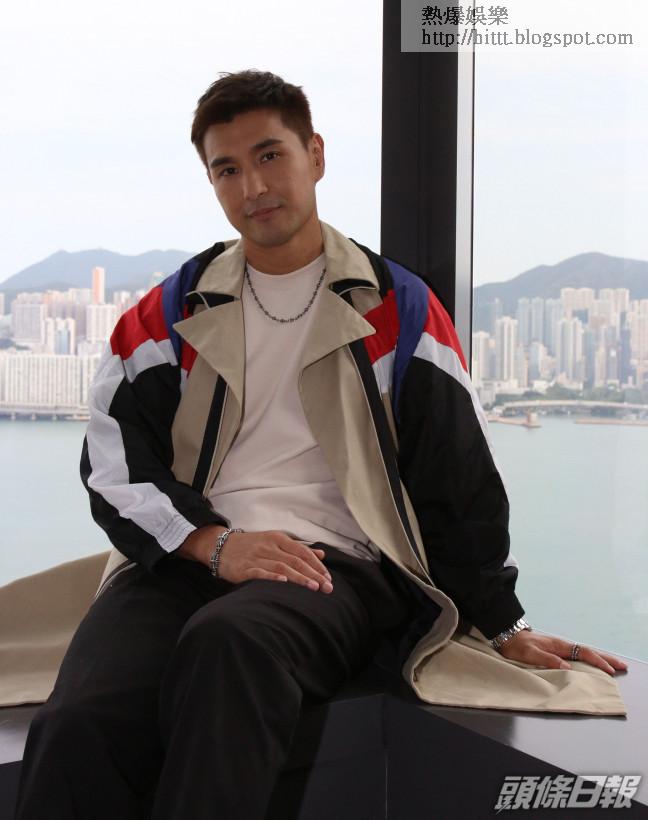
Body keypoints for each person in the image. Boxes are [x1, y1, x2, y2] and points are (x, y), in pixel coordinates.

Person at [14, 69, 628, 820]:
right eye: (227, 169)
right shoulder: (171, 308)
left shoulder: (397, 308)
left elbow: (459, 479)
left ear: (316, 155)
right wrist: (213, 543)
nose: (252, 187)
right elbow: (113, 464)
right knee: (81, 718)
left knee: (230, 646)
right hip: (191, 556)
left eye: (270, 156)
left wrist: (502, 622)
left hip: (332, 568)